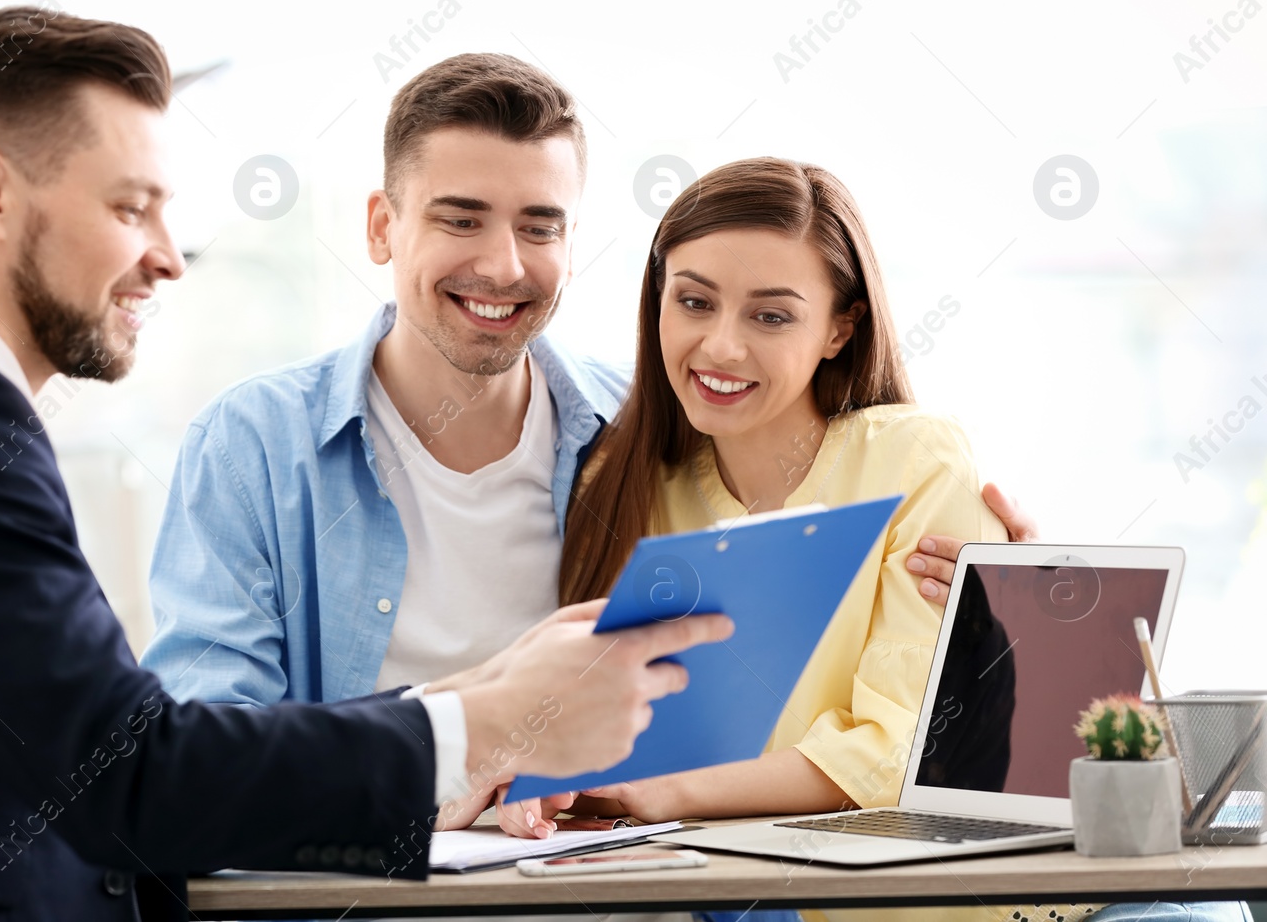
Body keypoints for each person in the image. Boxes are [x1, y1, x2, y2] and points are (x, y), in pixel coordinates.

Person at [0, 9, 733, 922]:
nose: (166, 254)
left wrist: (488, 691)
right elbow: (134, 775)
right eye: (129, 205)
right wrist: (499, 720)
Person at [140, 54, 1037, 832]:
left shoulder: (641, 433)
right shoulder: (254, 446)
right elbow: (203, 754)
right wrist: (456, 748)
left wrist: (1022, 613)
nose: (504, 265)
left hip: (619, 888)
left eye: (541, 225)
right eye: (460, 218)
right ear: (382, 225)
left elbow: (788, 671)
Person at [497, 157, 1244, 922]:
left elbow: (895, 751)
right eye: (694, 301)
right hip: (764, 896)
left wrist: (663, 789)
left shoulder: (914, 459)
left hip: (981, 902)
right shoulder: (623, 491)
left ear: (840, 326)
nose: (720, 346)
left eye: (771, 315)